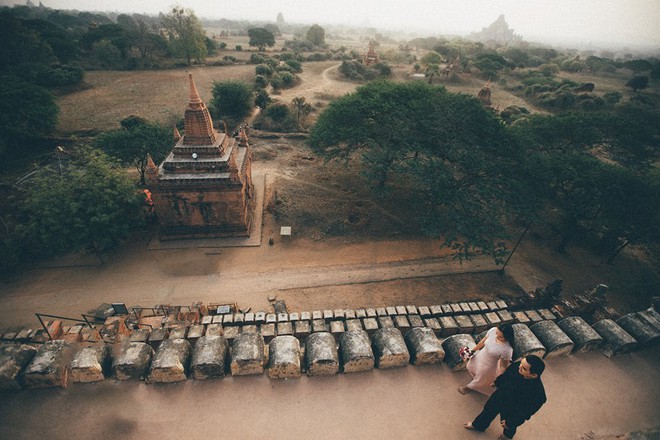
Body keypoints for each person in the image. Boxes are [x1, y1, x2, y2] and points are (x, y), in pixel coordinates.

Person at [464, 355, 547, 440]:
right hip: (500, 396)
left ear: (534, 375)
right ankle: (479, 426)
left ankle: (506, 437)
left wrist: (511, 422)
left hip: (513, 409)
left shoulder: (538, 395)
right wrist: (497, 382)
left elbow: (526, 412)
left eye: (524, 368)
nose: (519, 367)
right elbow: (506, 375)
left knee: (509, 427)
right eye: (521, 363)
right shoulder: (517, 366)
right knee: (487, 411)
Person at [458, 324, 514, 396]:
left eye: (500, 337)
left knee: (480, 379)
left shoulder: (507, 349)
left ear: (507, 337)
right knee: (471, 366)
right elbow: (482, 342)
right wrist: (473, 350)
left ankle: (468, 388)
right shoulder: (493, 330)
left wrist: (500, 379)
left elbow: (503, 366)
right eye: (497, 333)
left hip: (489, 366)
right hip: (481, 355)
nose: (496, 336)